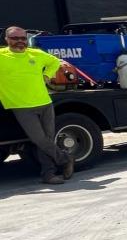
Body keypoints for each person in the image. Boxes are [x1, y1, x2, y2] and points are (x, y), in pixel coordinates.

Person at [0, 26, 73, 184]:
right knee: (39, 139)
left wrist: (47, 75)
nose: (19, 41)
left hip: (45, 103)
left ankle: (49, 174)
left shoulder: (36, 54)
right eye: (15, 38)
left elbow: (55, 62)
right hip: (21, 106)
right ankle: (65, 158)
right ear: (6, 39)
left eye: (22, 38)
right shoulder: (1, 56)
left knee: (46, 140)